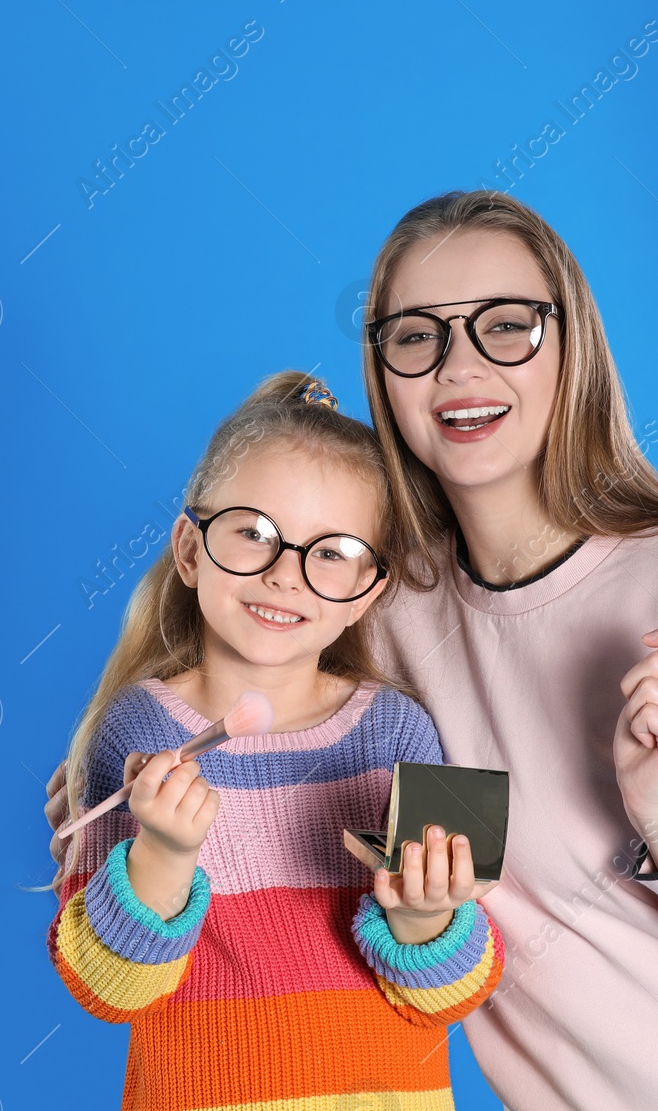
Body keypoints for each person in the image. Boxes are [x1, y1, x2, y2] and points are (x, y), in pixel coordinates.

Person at [49, 191, 658, 1110]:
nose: (460, 366)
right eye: (417, 335)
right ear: (381, 367)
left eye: (507, 325)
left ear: (570, 345)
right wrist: (112, 783)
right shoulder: (379, 610)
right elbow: (250, 690)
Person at [43, 371, 505, 1110]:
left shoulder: (400, 731)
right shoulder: (133, 734)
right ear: (191, 550)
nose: (286, 573)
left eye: (333, 551)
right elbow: (105, 989)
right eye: (253, 533)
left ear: (369, 591)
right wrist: (161, 854)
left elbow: (452, 996)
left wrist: (423, 916)